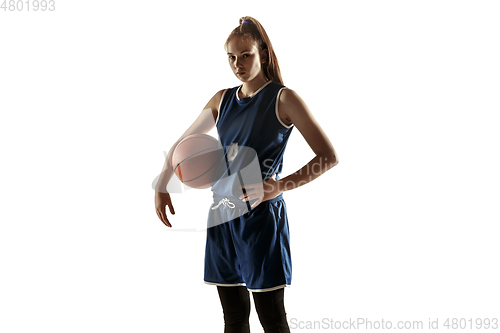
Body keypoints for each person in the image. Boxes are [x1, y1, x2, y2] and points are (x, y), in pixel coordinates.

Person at [155, 16, 338, 333]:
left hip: (260, 218)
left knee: (272, 318)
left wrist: (279, 186)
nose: (237, 64)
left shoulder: (284, 98)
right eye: (231, 57)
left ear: (263, 54)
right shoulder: (222, 99)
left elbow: (328, 156)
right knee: (234, 318)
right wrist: (162, 182)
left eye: (246, 55)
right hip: (222, 216)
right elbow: (183, 143)